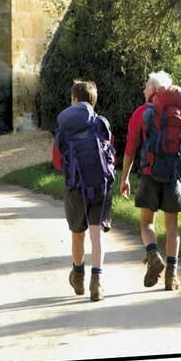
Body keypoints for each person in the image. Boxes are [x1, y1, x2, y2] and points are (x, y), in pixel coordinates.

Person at [120, 71, 181, 290]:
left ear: (154, 90)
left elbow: (130, 149)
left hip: (148, 174)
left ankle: (153, 255)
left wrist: (124, 178)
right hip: (175, 177)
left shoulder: (142, 113)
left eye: (146, 86)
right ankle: (171, 276)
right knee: (172, 226)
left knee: (146, 223)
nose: (143, 89)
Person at [53, 80, 116, 301]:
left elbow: (58, 162)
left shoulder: (65, 127)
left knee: (77, 234)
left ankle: (78, 275)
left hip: (75, 187)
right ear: (93, 100)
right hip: (101, 185)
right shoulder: (102, 123)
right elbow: (111, 154)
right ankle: (96, 283)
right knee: (96, 236)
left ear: (74, 99)